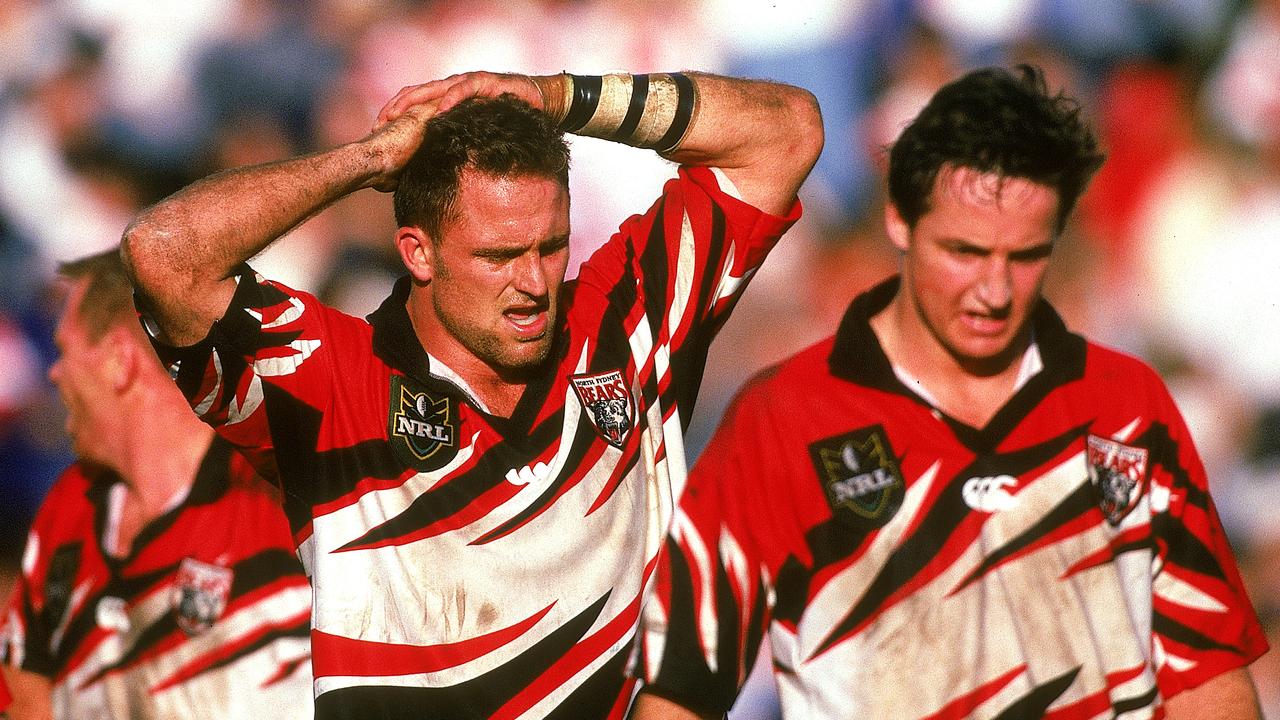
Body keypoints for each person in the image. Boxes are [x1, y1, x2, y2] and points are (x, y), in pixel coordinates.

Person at [120, 69, 823, 719]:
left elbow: (787, 131)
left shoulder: (626, 321)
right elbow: (163, 251)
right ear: (417, 251)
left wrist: (554, 97)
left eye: (551, 246)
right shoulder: (331, 377)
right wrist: (367, 159)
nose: (534, 284)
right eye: (497, 256)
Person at [631, 65, 1269, 720]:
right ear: (900, 223)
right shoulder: (785, 418)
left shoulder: (1126, 405)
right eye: (963, 252)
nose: (993, 292)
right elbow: (682, 691)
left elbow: (1209, 677)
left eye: (1023, 256)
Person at [0, 250, 313, 719]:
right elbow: (25, 695)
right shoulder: (70, 506)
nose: (54, 372)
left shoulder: (276, 494)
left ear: (120, 362)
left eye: (65, 350)